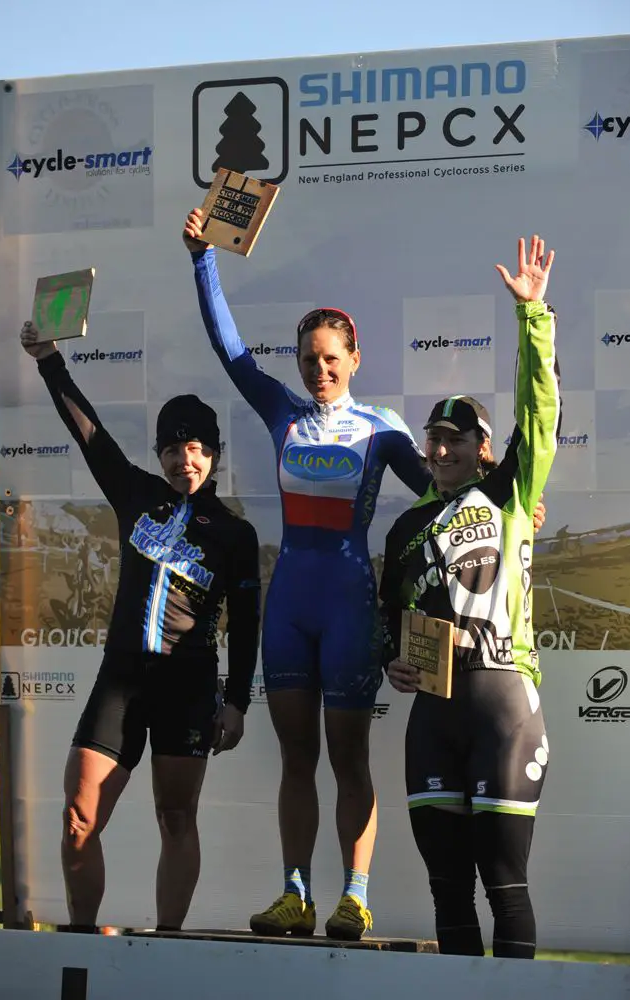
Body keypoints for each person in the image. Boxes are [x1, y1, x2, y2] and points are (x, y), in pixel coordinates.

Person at [181, 207, 445, 941]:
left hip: (349, 605)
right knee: (296, 758)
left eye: (330, 358)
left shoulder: (382, 427)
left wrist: (514, 498)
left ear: (353, 358)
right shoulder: (281, 412)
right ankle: (295, 893)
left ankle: (353, 896)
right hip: (291, 603)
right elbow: (232, 354)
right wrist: (202, 259)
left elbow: (442, 492)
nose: (318, 369)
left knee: (348, 757)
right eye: (307, 359)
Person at [19, 322, 261, 932]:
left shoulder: (234, 533)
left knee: (176, 817)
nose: (187, 459)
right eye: (176, 450)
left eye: (200, 449)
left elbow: (248, 622)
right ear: (160, 454)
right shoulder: (135, 493)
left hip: (188, 681)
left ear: (215, 455)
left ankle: (168, 942)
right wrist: (50, 360)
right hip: (122, 676)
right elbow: (88, 432)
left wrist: (235, 702)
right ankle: (81, 937)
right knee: (79, 816)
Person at [379, 235, 559, 960]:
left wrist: (531, 316)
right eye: (432, 439)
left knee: (502, 879)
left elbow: (539, 411)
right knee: (446, 888)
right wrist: (390, 659)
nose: (442, 449)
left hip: (501, 702)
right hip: (431, 712)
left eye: (457, 439)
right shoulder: (406, 524)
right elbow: (383, 616)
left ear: (483, 447)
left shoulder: (511, 491)